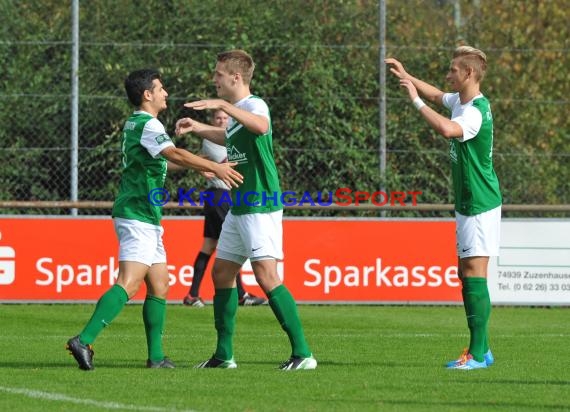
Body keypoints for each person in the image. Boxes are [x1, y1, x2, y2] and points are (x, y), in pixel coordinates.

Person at [65, 68, 243, 371]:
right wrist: (214, 167)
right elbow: (173, 154)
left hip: (144, 215)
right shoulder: (149, 124)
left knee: (160, 285)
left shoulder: (138, 123)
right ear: (147, 94)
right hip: (137, 214)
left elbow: (162, 160)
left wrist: (197, 167)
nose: (166, 93)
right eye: (161, 88)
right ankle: (84, 340)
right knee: (129, 282)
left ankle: (157, 357)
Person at [175, 49, 317, 370]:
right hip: (240, 205)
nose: (215, 80)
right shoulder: (238, 111)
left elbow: (261, 126)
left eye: (218, 74)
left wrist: (223, 107)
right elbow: (232, 137)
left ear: (235, 78)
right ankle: (224, 356)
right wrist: (198, 127)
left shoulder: (254, 105)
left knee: (267, 276)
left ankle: (303, 354)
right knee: (222, 273)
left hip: (260, 203)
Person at [386, 46, 502, 370]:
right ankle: (482, 349)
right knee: (466, 275)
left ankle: (478, 355)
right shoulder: (461, 101)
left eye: (453, 70)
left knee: (474, 274)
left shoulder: (475, 111)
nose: (448, 75)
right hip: (469, 201)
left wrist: (414, 100)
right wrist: (407, 76)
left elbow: (447, 129)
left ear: (468, 74)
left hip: (479, 203)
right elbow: (440, 96)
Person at [182, 108, 266, 307]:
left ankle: (192, 295)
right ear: (212, 120)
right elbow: (230, 162)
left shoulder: (227, 138)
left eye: (225, 118)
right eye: (218, 118)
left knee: (209, 246)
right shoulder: (212, 140)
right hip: (220, 196)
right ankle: (240, 295)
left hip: (218, 196)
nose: (221, 121)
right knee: (234, 244)